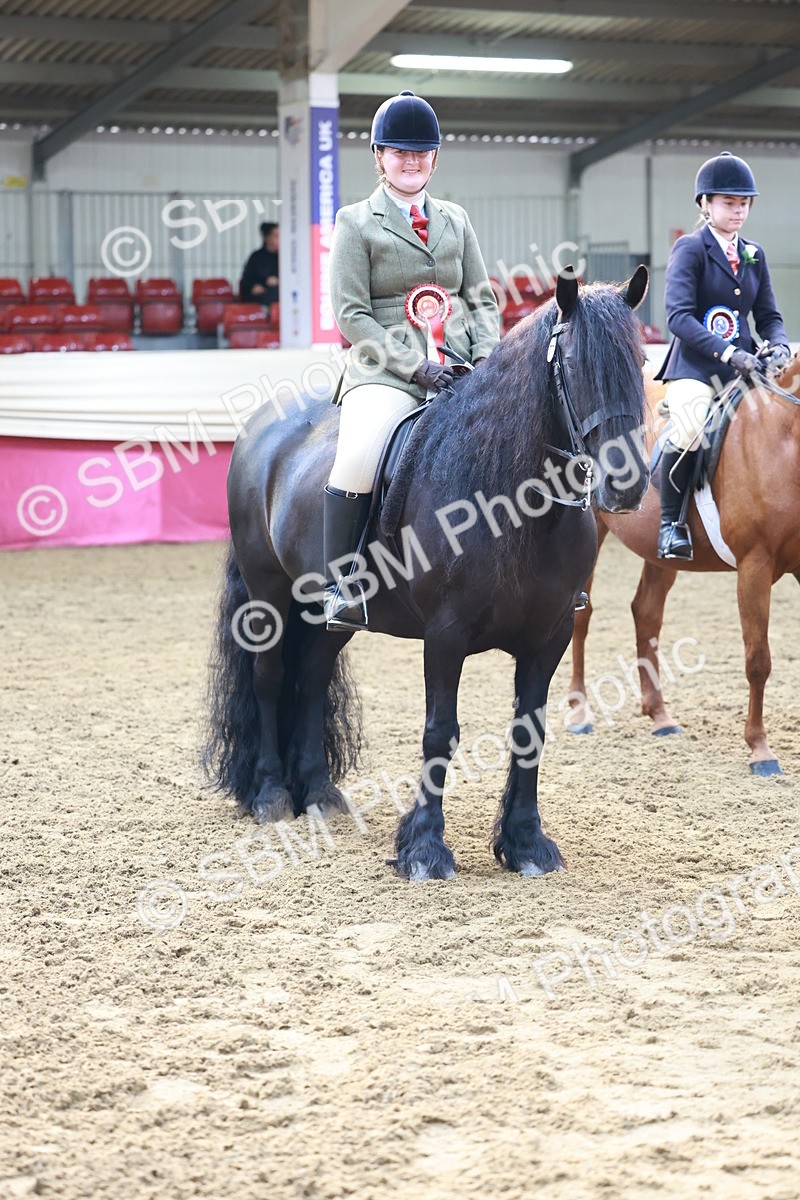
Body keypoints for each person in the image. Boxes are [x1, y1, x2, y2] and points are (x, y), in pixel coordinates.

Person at [323, 90, 501, 630]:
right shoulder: (355, 222)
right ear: (379, 156)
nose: (411, 161)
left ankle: (541, 573)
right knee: (359, 453)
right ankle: (342, 583)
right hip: (386, 371)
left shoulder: (456, 218)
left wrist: (487, 360)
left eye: (421, 153)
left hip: (461, 363)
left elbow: (481, 299)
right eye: (399, 152)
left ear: (435, 158)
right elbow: (352, 316)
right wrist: (416, 368)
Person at [655, 151, 789, 560]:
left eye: (743, 203)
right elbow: (678, 316)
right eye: (729, 203)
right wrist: (730, 352)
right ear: (705, 204)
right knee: (691, 424)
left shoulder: (754, 254)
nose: (738, 211)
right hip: (697, 367)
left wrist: (780, 343)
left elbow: (768, 315)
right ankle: (670, 524)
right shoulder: (690, 249)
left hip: (748, 366)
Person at [240, 222, 279, 305]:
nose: (280, 239)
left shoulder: (286, 257)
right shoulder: (256, 257)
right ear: (267, 237)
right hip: (261, 295)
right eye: (276, 236)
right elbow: (247, 278)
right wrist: (253, 286)